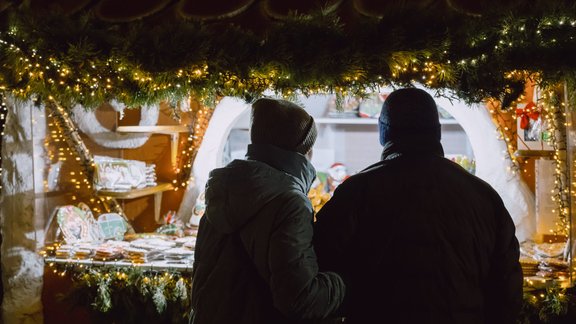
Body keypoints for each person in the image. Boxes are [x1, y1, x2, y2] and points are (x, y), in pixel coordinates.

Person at [313, 88, 523, 323]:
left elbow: (319, 268)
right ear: (437, 133)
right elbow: (507, 289)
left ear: (384, 133)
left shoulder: (356, 191)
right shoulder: (484, 197)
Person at [190, 98, 345, 323]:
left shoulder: (222, 189)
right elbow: (300, 299)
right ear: (305, 150)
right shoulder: (290, 202)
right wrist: (344, 282)